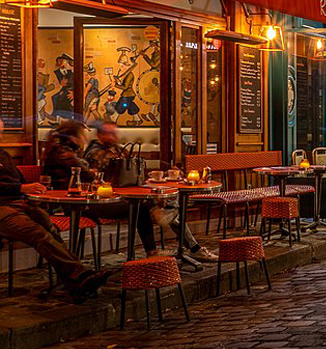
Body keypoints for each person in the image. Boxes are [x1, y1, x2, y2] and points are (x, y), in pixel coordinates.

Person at [0, 119, 111, 300]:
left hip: (19, 202)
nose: (1, 136)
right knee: (38, 234)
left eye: (1, 132)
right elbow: (16, 186)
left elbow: (17, 181)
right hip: (2, 208)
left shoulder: (3, 154)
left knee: (51, 229)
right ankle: (79, 275)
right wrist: (21, 189)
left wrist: (30, 188)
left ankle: (74, 280)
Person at [83, 122, 217, 262]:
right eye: (110, 133)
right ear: (100, 135)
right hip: (104, 200)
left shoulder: (117, 149)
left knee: (156, 201)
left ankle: (168, 220)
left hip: (126, 195)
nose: (114, 136)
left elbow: (135, 166)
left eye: (115, 133)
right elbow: (103, 179)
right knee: (145, 205)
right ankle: (167, 222)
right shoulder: (95, 153)